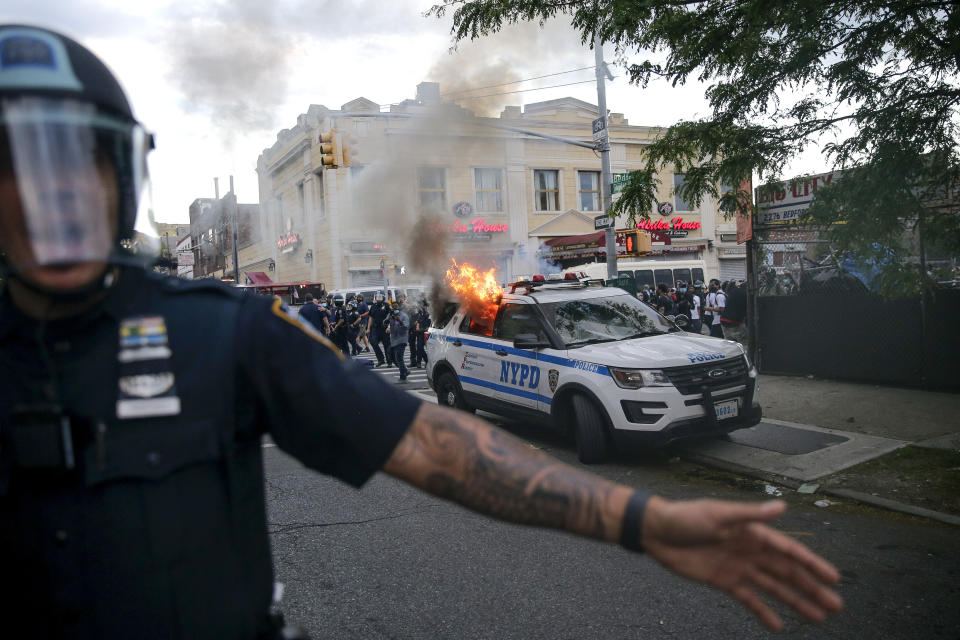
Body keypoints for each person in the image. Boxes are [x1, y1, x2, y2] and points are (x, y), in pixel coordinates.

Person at [0, 26, 842, 639]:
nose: (48, 194)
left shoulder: (219, 334)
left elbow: (435, 444)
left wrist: (640, 520)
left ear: (121, 174)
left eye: (79, 159)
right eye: (15, 167)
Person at [721, 280, 749, 355]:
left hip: (724, 321)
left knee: (730, 346)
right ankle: (744, 361)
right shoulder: (746, 294)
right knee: (744, 344)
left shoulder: (733, 291)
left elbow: (728, 286)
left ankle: (730, 359)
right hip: (735, 322)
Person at [386, 301, 410, 381]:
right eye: (393, 307)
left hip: (402, 339)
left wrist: (399, 320)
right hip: (393, 339)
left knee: (399, 357)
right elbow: (384, 322)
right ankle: (405, 370)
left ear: (399, 307)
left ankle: (403, 375)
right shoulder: (390, 314)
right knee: (392, 357)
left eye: (396, 307)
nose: (394, 308)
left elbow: (406, 327)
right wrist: (388, 320)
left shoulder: (403, 316)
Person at [368, 292, 392, 367]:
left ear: (383, 297)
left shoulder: (386, 305)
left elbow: (391, 316)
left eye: (380, 297)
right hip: (375, 328)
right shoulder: (373, 306)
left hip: (384, 328)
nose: (378, 298)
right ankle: (381, 359)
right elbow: (371, 317)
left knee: (386, 345)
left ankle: (389, 361)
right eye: (377, 297)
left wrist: (389, 327)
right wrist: (368, 328)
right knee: (373, 342)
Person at [411, 302, 431, 368]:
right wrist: (417, 327)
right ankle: (419, 362)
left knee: (429, 349)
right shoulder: (422, 314)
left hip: (428, 334)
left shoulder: (430, 315)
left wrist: (423, 329)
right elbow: (418, 322)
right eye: (424, 307)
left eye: (426, 307)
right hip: (421, 333)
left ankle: (427, 361)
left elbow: (430, 326)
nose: (425, 308)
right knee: (419, 348)